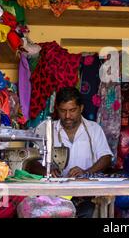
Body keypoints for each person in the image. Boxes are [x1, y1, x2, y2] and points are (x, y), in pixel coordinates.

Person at [26, 86, 113, 217]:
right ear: (57, 109)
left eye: (72, 110)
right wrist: (47, 171)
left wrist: (87, 172)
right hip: (52, 194)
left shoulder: (94, 129)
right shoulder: (46, 129)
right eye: (63, 111)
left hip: (84, 194)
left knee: (87, 212)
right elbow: (31, 162)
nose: (67, 116)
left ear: (81, 108)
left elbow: (106, 157)